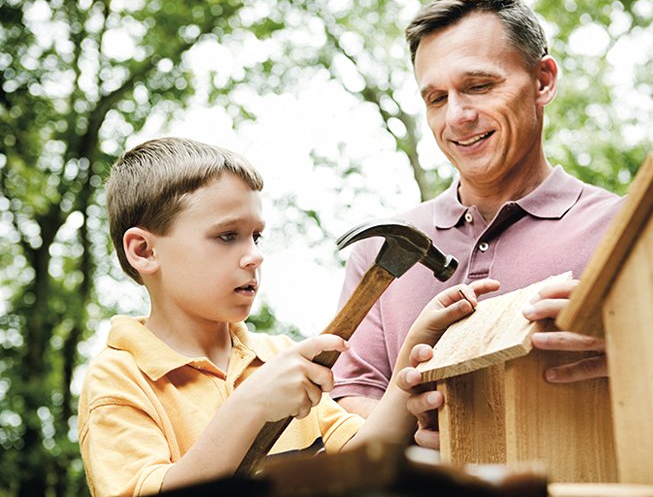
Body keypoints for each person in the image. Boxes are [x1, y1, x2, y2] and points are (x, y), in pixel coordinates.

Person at [77, 137, 501, 496]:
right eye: (227, 236)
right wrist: (251, 405)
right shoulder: (119, 380)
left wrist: (412, 354)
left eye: (256, 236)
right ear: (144, 251)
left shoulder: (276, 358)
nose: (255, 255)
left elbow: (357, 461)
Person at [331, 0, 626, 443]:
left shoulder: (622, 229)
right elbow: (350, 394)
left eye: (480, 86)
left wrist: (629, 343)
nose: (456, 117)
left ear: (543, 81)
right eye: (436, 98)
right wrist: (419, 429)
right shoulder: (378, 253)